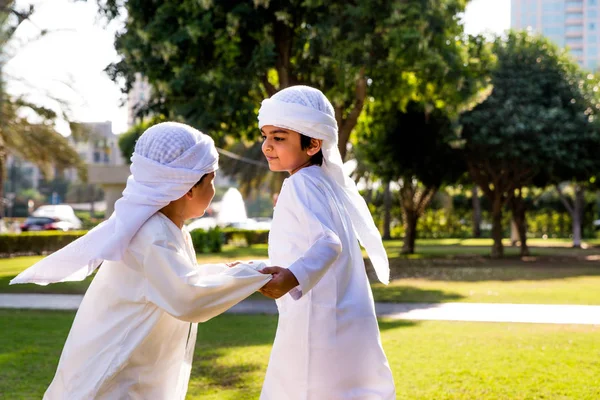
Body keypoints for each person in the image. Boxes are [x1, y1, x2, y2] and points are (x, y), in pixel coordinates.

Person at [10, 122, 272, 399]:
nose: (215, 191)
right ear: (188, 187)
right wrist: (255, 275)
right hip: (118, 378)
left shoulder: (165, 229)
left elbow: (181, 278)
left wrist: (238, 270)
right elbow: (188, 297)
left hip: (133, 371)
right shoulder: (153, 235)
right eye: (211, 181)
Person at [256, 86, 396, 399]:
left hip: (315, 318)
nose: (267, 146)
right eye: (265, 136)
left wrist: (291, 277)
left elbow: (328, 243)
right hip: (338, 316)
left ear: (313, 143)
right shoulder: (323, 182)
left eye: (279, 138)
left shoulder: (301, 183)